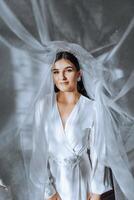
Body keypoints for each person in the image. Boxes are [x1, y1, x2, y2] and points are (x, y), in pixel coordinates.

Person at [34, 51, 112, 200]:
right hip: (53, 182)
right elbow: (39, 150)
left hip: (83, 181)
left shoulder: (92, 107)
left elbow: (98, 153)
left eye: (68, 70)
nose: (61, 77)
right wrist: (49, 191)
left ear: (79, 74)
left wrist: (96, 192)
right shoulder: (42, 105)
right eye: (56, 72)